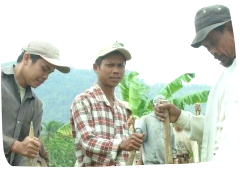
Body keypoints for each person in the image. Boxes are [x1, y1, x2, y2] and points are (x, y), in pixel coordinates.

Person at [155, 4, 239, 167]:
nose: (213, 51)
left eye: (214, 42)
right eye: (207, 47)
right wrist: (180, 117)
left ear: (231, 28)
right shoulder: (224, 79)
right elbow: (216, 132)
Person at [70, 42, 144, 167]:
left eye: (120, 66)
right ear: (96, 68)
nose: (116, 70)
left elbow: (124, 156)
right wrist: (120, 144)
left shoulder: (121, 108)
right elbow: (88, 143)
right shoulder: (84, 101)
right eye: (110, 65)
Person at [1, 41, 70, 167]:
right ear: (26, 58)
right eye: (44, 69)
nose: (45, 77)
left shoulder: (36, 105)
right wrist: (14, 145)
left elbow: (27, 151)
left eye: (50, 72)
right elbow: (19, 147)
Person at [135, 95, 177, 168]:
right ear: (153, 107)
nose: (161, 109)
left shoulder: (168, 122)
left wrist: (174, 160)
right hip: (151, 163)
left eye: (163, 107)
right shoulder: (146, 120)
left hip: (167, 163)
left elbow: (172, 142)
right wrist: (140, 160)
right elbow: (138, 137)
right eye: (158, 106)